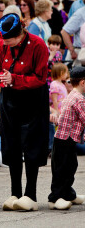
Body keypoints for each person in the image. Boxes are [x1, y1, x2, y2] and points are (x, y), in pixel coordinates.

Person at [0, 13, 49, 211]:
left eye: (9, 40)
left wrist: (15, 79)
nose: (5, 44)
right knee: (12, 145)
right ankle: (15, 193)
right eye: (3, 40)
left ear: (20, 34)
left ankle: (30, 195)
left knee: (32, 146)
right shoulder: (2, 45)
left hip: (33, 99)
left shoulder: (38, 45)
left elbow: (41, 78)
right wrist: (2, 79)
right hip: (9, 100)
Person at [48, 66, 85, 210]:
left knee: (70, 165)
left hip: (64, 138)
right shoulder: (79, 99)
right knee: (63, 169)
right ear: (82, 83)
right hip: (66, 139)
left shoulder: (72, 94)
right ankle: (55, 197)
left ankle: (68, 194)